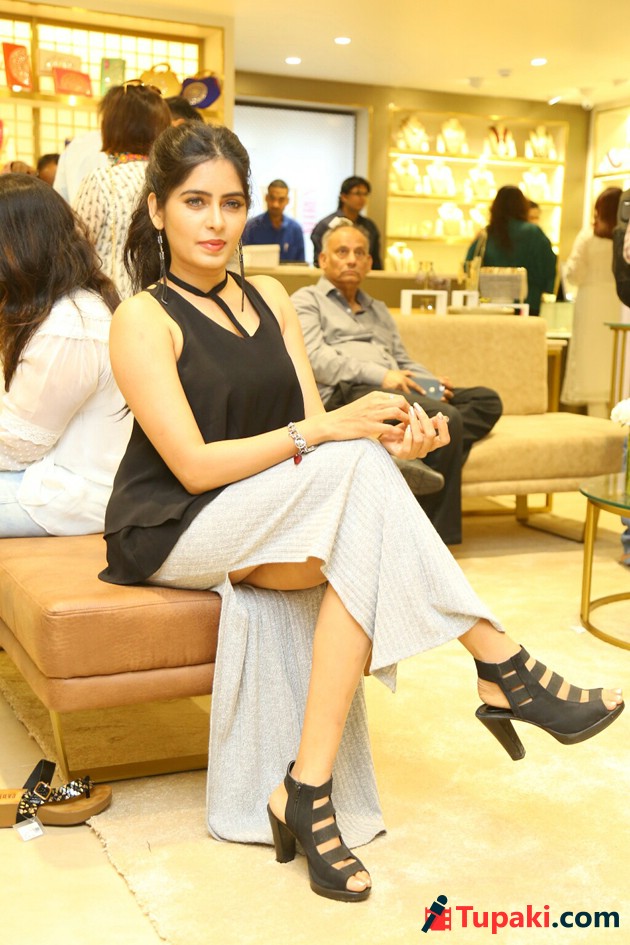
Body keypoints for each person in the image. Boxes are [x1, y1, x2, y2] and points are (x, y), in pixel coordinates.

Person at [99, 122, 623, 904]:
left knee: (359, 533)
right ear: (156, 210)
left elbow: (317, 433)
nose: (215, 221)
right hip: (175, 524)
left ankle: (304, 790)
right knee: (349, 472)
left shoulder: (271, 299)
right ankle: (501, 663)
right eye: (194, 202)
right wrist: (331, 433)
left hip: (267, 507)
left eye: (231, 203)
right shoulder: (142, 317)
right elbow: (195, 466)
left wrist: (392, 440)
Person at [291, 220, 503, 544]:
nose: (351, 260)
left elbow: (401, 358)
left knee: (485, 401)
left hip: (395, 389)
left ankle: (412, 459)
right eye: (342, 252)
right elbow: (315, 358)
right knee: (448, 419)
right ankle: (436, 539)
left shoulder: (377, 308)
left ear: (369, 262)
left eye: (359, 253)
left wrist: (430, 382)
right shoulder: (307, 300)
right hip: (349, 393)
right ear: (322, 259)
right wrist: (381, 375)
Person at [0, 174, 131, 537]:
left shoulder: (71, 324)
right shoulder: (59, 305)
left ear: (17, 245)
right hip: (48, 476)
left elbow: (19, 445)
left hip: (69, 493)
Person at [72, 83, 171, 298]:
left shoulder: (101, 180)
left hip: (112, 302)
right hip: (162, 300)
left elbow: (74, 250)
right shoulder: (171, 181)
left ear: (112, 126)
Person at [561, 187, 622, 418]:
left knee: (590, 362)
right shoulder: (624, 237)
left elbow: (574, 273)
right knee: (615, 361)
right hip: (619, 304)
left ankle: (597, 420)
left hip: (590, 305)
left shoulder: (587, 236)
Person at [465, 185, 557, 315]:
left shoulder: (487, 234)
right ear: (523, 207)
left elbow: (469, 266)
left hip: (491, 304)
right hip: (528, 304)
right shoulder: (534, 233)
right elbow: (548, 268)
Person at [311, 176, 382, 269]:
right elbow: (319, 262)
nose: (362, 198)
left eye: (365, 194)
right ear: (344, 197)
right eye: (358, 193)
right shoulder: (326, 225)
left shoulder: (369, 226)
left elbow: (376, 262)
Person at [242, 179, 305, 262]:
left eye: (281, 199)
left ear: (287, 201)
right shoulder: (251, 227)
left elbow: (301, 265)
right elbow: (243, 262)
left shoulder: (295, 229)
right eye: (272, 198)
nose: (276, 204)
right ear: (266, 198)